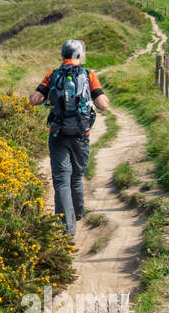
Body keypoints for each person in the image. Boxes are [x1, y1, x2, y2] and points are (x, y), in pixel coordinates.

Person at [28, 39, 109, 239]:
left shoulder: (52, 75)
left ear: (62, 56)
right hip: (81, 135)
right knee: (76, 177)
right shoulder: (89, 75)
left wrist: (47, 95)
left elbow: (34, 100)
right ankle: (78, 213)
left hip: (57, 134)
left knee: (61, 180)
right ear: (79, 56)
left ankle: (66, 229)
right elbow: (103, 105)